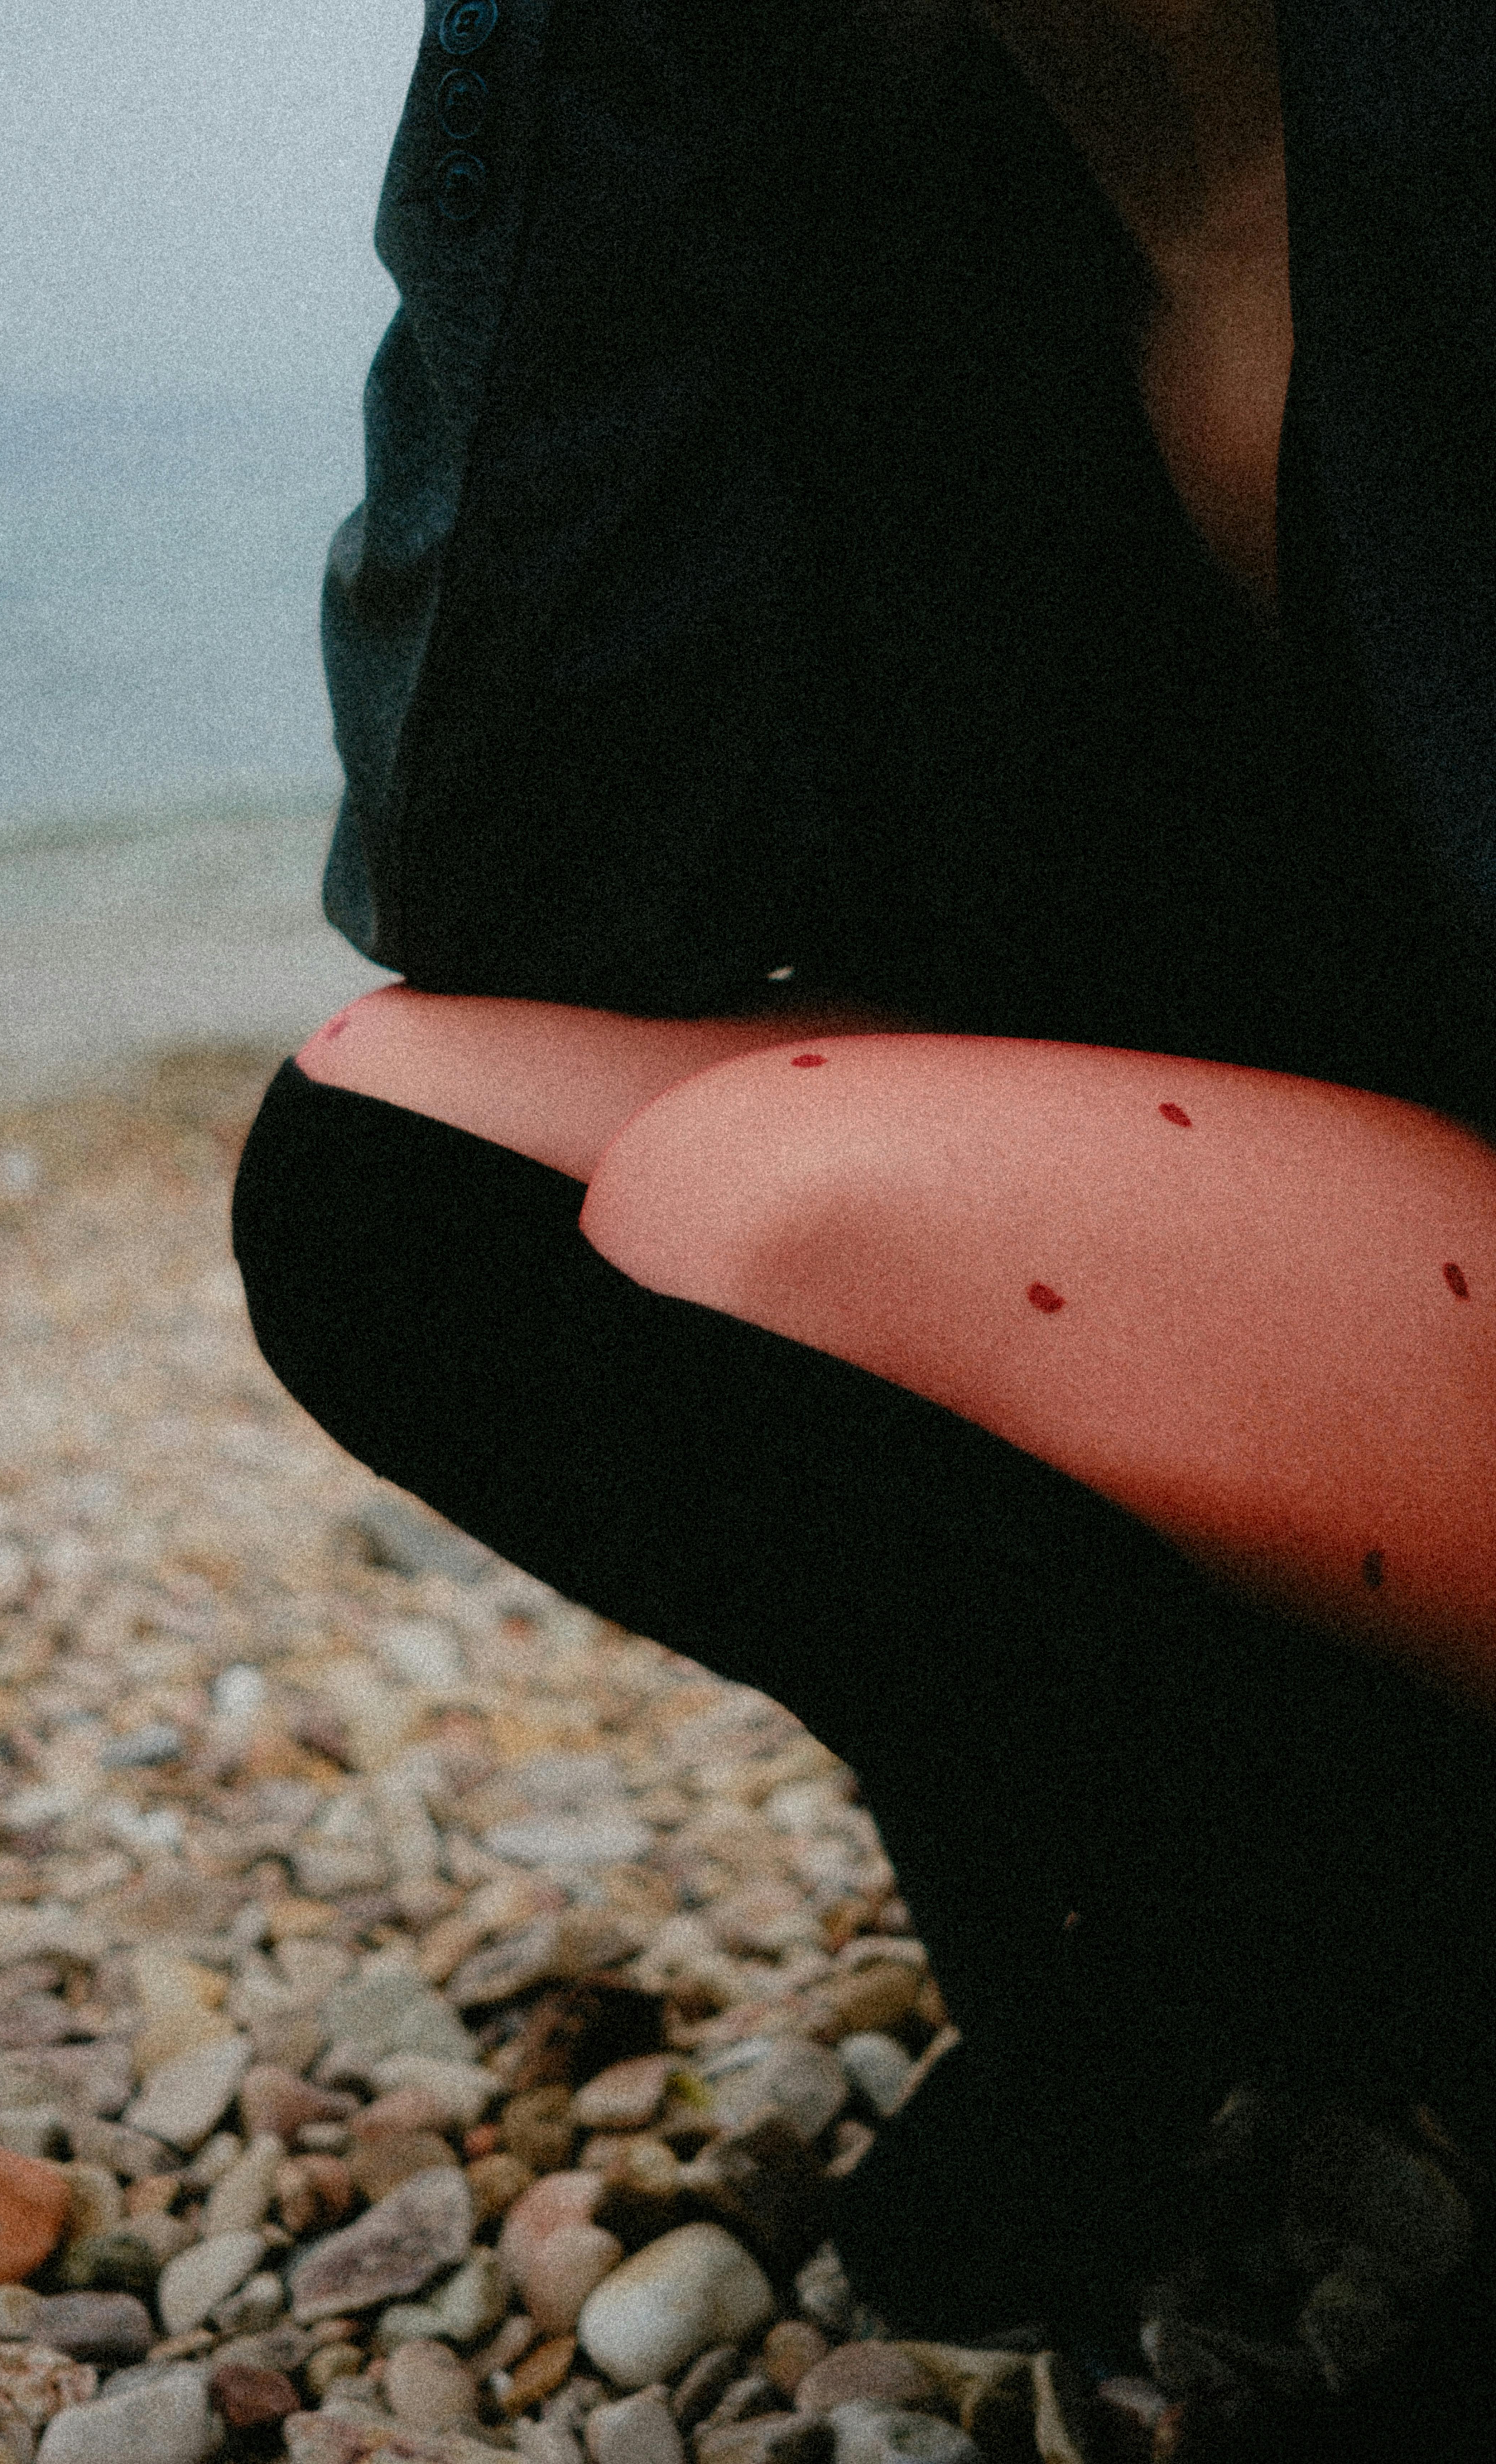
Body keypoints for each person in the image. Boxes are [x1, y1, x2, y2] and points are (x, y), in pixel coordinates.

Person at [231, 0, 1496, 2413]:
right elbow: (521, 876)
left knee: (763, 1195)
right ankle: (1238, 1965)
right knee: (404, 1160)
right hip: (1380, 1279)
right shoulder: (876, 191)